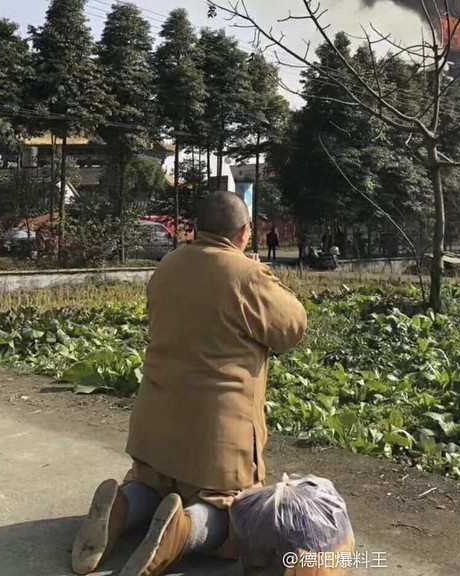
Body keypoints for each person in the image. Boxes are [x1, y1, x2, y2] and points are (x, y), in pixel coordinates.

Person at [71, 192, 308, 576]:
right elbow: (292, 327)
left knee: (153, 486)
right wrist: (265, 273)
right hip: (216, 441)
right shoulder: (247, 276)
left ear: (196, 229)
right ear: (245, 233)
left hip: (154, 431)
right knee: (235, 517)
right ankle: (184, 532)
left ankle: (121, 509)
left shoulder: (167, 266)